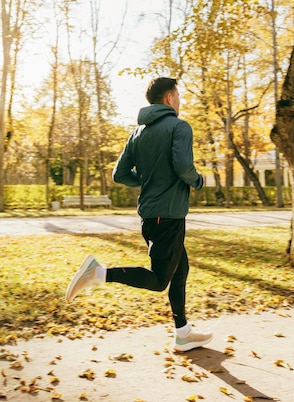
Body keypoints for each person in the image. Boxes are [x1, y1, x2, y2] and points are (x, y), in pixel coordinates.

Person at [65, 77, 212, 352]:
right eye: (178, 96)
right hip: (168, 216)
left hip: (151, 215)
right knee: (159, 280)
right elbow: (183, 166)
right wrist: (198, 180)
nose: (179, 101)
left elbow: (119, 174)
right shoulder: (179, 127)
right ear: (169, 98)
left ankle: (183, 332)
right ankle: (98, 273)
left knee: (181, 269)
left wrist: (147, 181)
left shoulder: (138, 133)